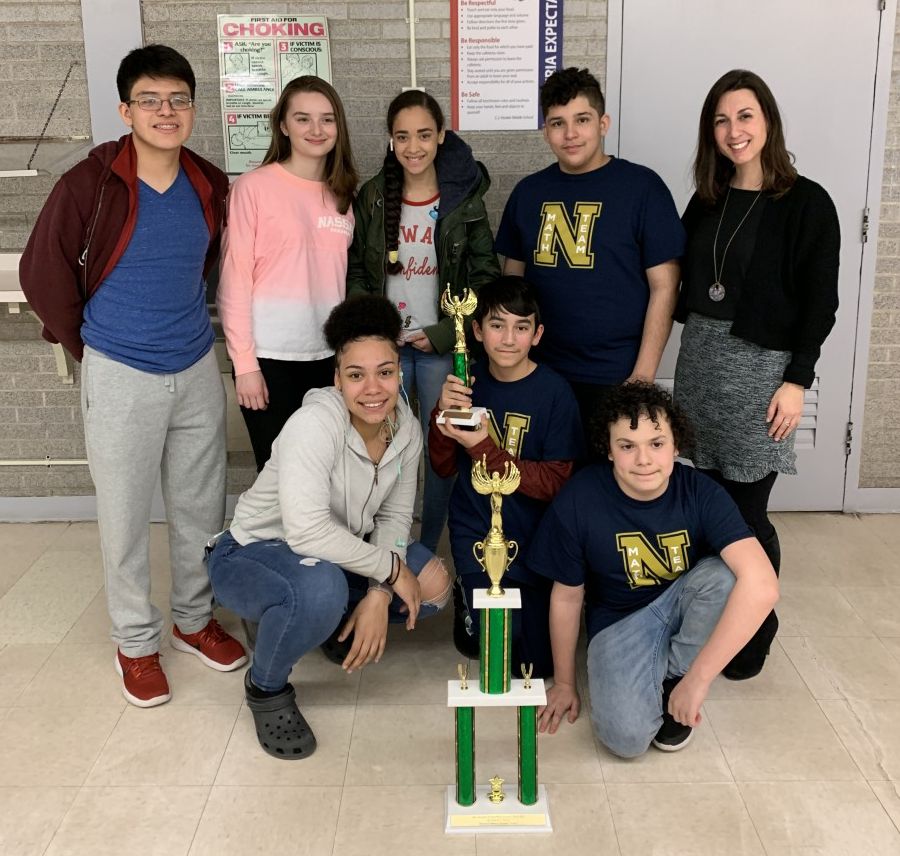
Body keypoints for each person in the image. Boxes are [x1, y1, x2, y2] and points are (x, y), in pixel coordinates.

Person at [19, 45, 246, 708]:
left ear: (193, 109)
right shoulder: (89, 184)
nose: (165, 111)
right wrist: (92, 343)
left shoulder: (207, 182)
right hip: (120, 370)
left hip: (195, 365)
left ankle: (193, 622)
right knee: (122, 517)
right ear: (126, 109)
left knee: (202, 507)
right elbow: (43, 273)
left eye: (178, 99)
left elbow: (208, 265)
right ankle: (136, 643)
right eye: (150, 100)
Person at [206, 295, 452, 760]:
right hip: (252, 553)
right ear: (337, 379)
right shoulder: (313, 424)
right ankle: (266, 685)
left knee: (434, 585)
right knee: (319, 587)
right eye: (356, 375)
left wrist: (381, 593)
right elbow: (306, 532)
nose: (373, 388)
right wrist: (391, 571)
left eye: (385, 371)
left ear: (400, 371)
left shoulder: (406, 428)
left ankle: (330, 623)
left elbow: (395, 518)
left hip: (332, 556)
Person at [673, 69, 840, 679]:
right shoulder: (707, 201)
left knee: (745, 513)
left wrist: (797, 379)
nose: (734, 130)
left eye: (745, 116)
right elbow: (682, 286)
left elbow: (821, 302)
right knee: (704, 504)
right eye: (721, 120)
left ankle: (755, 631)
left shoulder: (806, 202)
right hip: (702, 367)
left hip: (763, 373)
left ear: (767, 120)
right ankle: (714, 614)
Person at [530, 382, 779, 757]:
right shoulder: (580, 498)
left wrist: (698, 680)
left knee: (728, 576)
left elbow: (763, 586)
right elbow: (566, 597)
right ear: (609, 451)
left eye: (657, 444)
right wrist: (565, 682)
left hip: (682, 605)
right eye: (627, 446)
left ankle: (675, 676)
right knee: (626, 740)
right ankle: (656, 674)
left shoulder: (699, 491)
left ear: (676, 446)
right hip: (619, 622)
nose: (644, 459)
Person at [494, 67, 685, 440]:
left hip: (617, 375)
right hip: (540, 372)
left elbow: (666, 287)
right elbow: (510, 289)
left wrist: (643, 376)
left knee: (610, 487)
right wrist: (508, 364)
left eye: (582, 120)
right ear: (545, 131)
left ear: (603, 123)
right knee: (542, 483)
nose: (570, 134)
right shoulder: (529, 193)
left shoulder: (642, 188)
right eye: (557, 123)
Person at [347, 89, 500, 552]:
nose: (413, 146)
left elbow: (485, 278)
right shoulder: (373, 196)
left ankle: (427, 548)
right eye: (402, 136)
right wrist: (375, 328)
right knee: (381, 451)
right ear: (391, 140)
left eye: (424, 135)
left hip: (440, 352)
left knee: (441, 455)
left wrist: (440, 334)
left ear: (441, 137)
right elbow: (356, 269)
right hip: (385, 351)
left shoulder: (463, 199)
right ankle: (380, 548)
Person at [429, 275, 583, 676]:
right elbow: (442, 466)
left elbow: (555, 484)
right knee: (496, 654)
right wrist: (440, 416)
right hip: (475, 529)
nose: (509, 339)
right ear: (477, 330)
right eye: (497, 325)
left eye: (521, 327)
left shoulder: (555, 393)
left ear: (538, 334)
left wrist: (482, 447)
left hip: (536, 535)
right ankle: (470, 592)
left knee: (534, 665)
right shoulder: (466, 384)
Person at [218, 76, 358, 471]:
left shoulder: (344, 194)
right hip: (269, 358)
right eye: (303, 119)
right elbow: (234, 280)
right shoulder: (253, 187)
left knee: (326, 471)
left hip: (328, 356)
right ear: (283, 125)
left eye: (327, 120)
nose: (316, 130)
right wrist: (245, 365)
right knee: (277, 476)